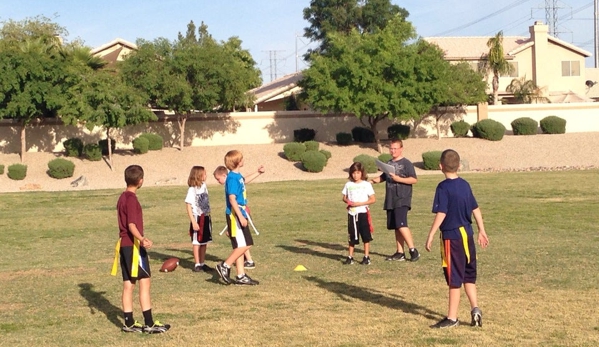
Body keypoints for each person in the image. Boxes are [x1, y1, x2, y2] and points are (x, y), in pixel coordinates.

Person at [424, 149, 489, 329]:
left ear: (440, 166)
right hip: (467, 234)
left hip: (452, 238)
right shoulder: (465, 185)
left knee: (454, 279)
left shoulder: (443, 187)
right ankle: (475, 309)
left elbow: (442, 212)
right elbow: (475, 208)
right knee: (469, 275)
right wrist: (481, 230)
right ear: (459, 165)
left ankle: (452, 318)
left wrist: (430, 234)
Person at [112, 165, 170, 334]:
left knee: (128, 284)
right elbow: (131, 224)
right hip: (133, 246)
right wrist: (142, 239)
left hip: (124, 245)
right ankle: (149, 323)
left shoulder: (122, 197)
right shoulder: (131, 199)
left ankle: (129, 323)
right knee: (145, 283)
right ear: (140, 181)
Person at [215, 151, 264, 285]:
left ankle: (240, 275)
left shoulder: (237, 176)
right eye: (241, 159)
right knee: (246, 244)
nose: (243, 160)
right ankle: (225, 266)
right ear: (237, 162)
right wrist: (240, 216)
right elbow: (232, 199)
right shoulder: (231, 178)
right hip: (235, 214)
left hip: (239, 213)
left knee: (241, 245)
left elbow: (244, 181)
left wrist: (258, 173)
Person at [370, 138, 420, 262]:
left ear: (401, 149)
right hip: (391, 199)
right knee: (396, 226)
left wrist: (399, 179)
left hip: (402, 198)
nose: (393, 151)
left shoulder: (406, 163)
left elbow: (414, 179)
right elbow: (382, 178)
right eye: (391, 148)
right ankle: (400, 252)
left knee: (401, 224)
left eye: (395, 148)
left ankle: (413, 250)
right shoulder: (388, 163)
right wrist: (368, 182)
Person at [342, 162, 376, 265]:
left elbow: (372, 199)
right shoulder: (348, 185)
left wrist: (360, 203)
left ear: (361, 173)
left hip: (362, 213)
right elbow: (344, 197)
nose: (355, 175)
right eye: (353, 173)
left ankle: (366, 257)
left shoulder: (366, 185)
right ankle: (350, 257)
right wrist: (348, 202)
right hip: (352, 214)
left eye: (357, 173)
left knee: (365, 235)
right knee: (352, 235)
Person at [185, 166, 213, 273]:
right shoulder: (192, 190)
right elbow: (188, 205)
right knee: (197, 241)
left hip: (206, 216)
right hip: (197, 218)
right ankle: (197, 264)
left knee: (204, 241)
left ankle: (202, 262)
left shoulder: (204, 186)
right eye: (204, 174)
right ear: (198, 175)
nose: (206, 176)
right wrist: (193, 221)